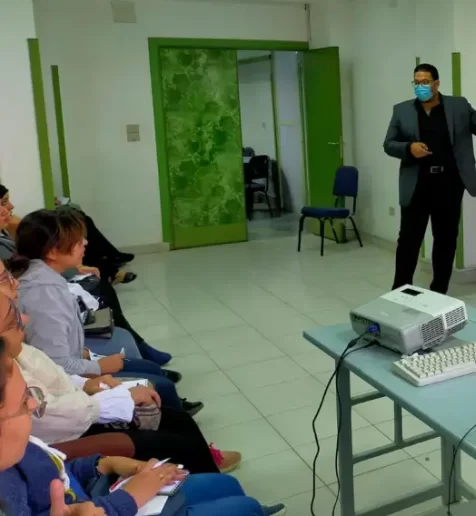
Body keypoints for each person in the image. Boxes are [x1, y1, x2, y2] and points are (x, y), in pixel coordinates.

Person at [0, 262, 241, 474]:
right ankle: (203, 472)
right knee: (167, 416)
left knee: (176, 417)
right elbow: (47, 412)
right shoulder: (40, 295)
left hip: (76, 409)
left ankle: (204, 464)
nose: (15, 283)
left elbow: (50, 373)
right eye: (5, 278)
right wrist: (114, 395)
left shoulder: (14, 340)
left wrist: (87, 384)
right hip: (67, 431)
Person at [0, 343, 285, 515]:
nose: (34, 404)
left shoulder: (22, 449)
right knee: (244, 508)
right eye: (25, 400)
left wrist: (105, 463)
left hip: (104, 497)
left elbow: (56, 469)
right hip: (116, 505)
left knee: (228, 486)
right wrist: (129, 498)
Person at [11, 210, 202, 416]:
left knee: (151, 369)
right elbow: (58, 367)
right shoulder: (44, 295)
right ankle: (174, 419)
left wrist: (85, 354)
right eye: (77, 241)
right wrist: (99, 366)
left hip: (72, 366)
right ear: (52, 252)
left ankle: (173, 412)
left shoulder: (45, 279)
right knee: (162, 386)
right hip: (66, 384)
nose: (85, 243)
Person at [1, 185, 165, 365]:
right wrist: (98, 368)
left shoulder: (9, 235)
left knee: (102, 285)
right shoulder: (41, 294)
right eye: (3, 203)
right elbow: (60, 364)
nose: (10, 208)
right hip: (68, 367)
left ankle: (140, 346)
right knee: (101, 289)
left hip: (72, 352)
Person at [383, 63, 476, 294]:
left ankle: (439, 291)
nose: (420, 86)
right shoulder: (402, 110)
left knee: (445, 239)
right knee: (409, 240)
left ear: (436, 83)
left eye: (425, 82)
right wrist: (409, 148)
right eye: (416, 82)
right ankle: (400, 290)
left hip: (449, 183)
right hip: (416, 184)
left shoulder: (458, 106)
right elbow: (388, 144)